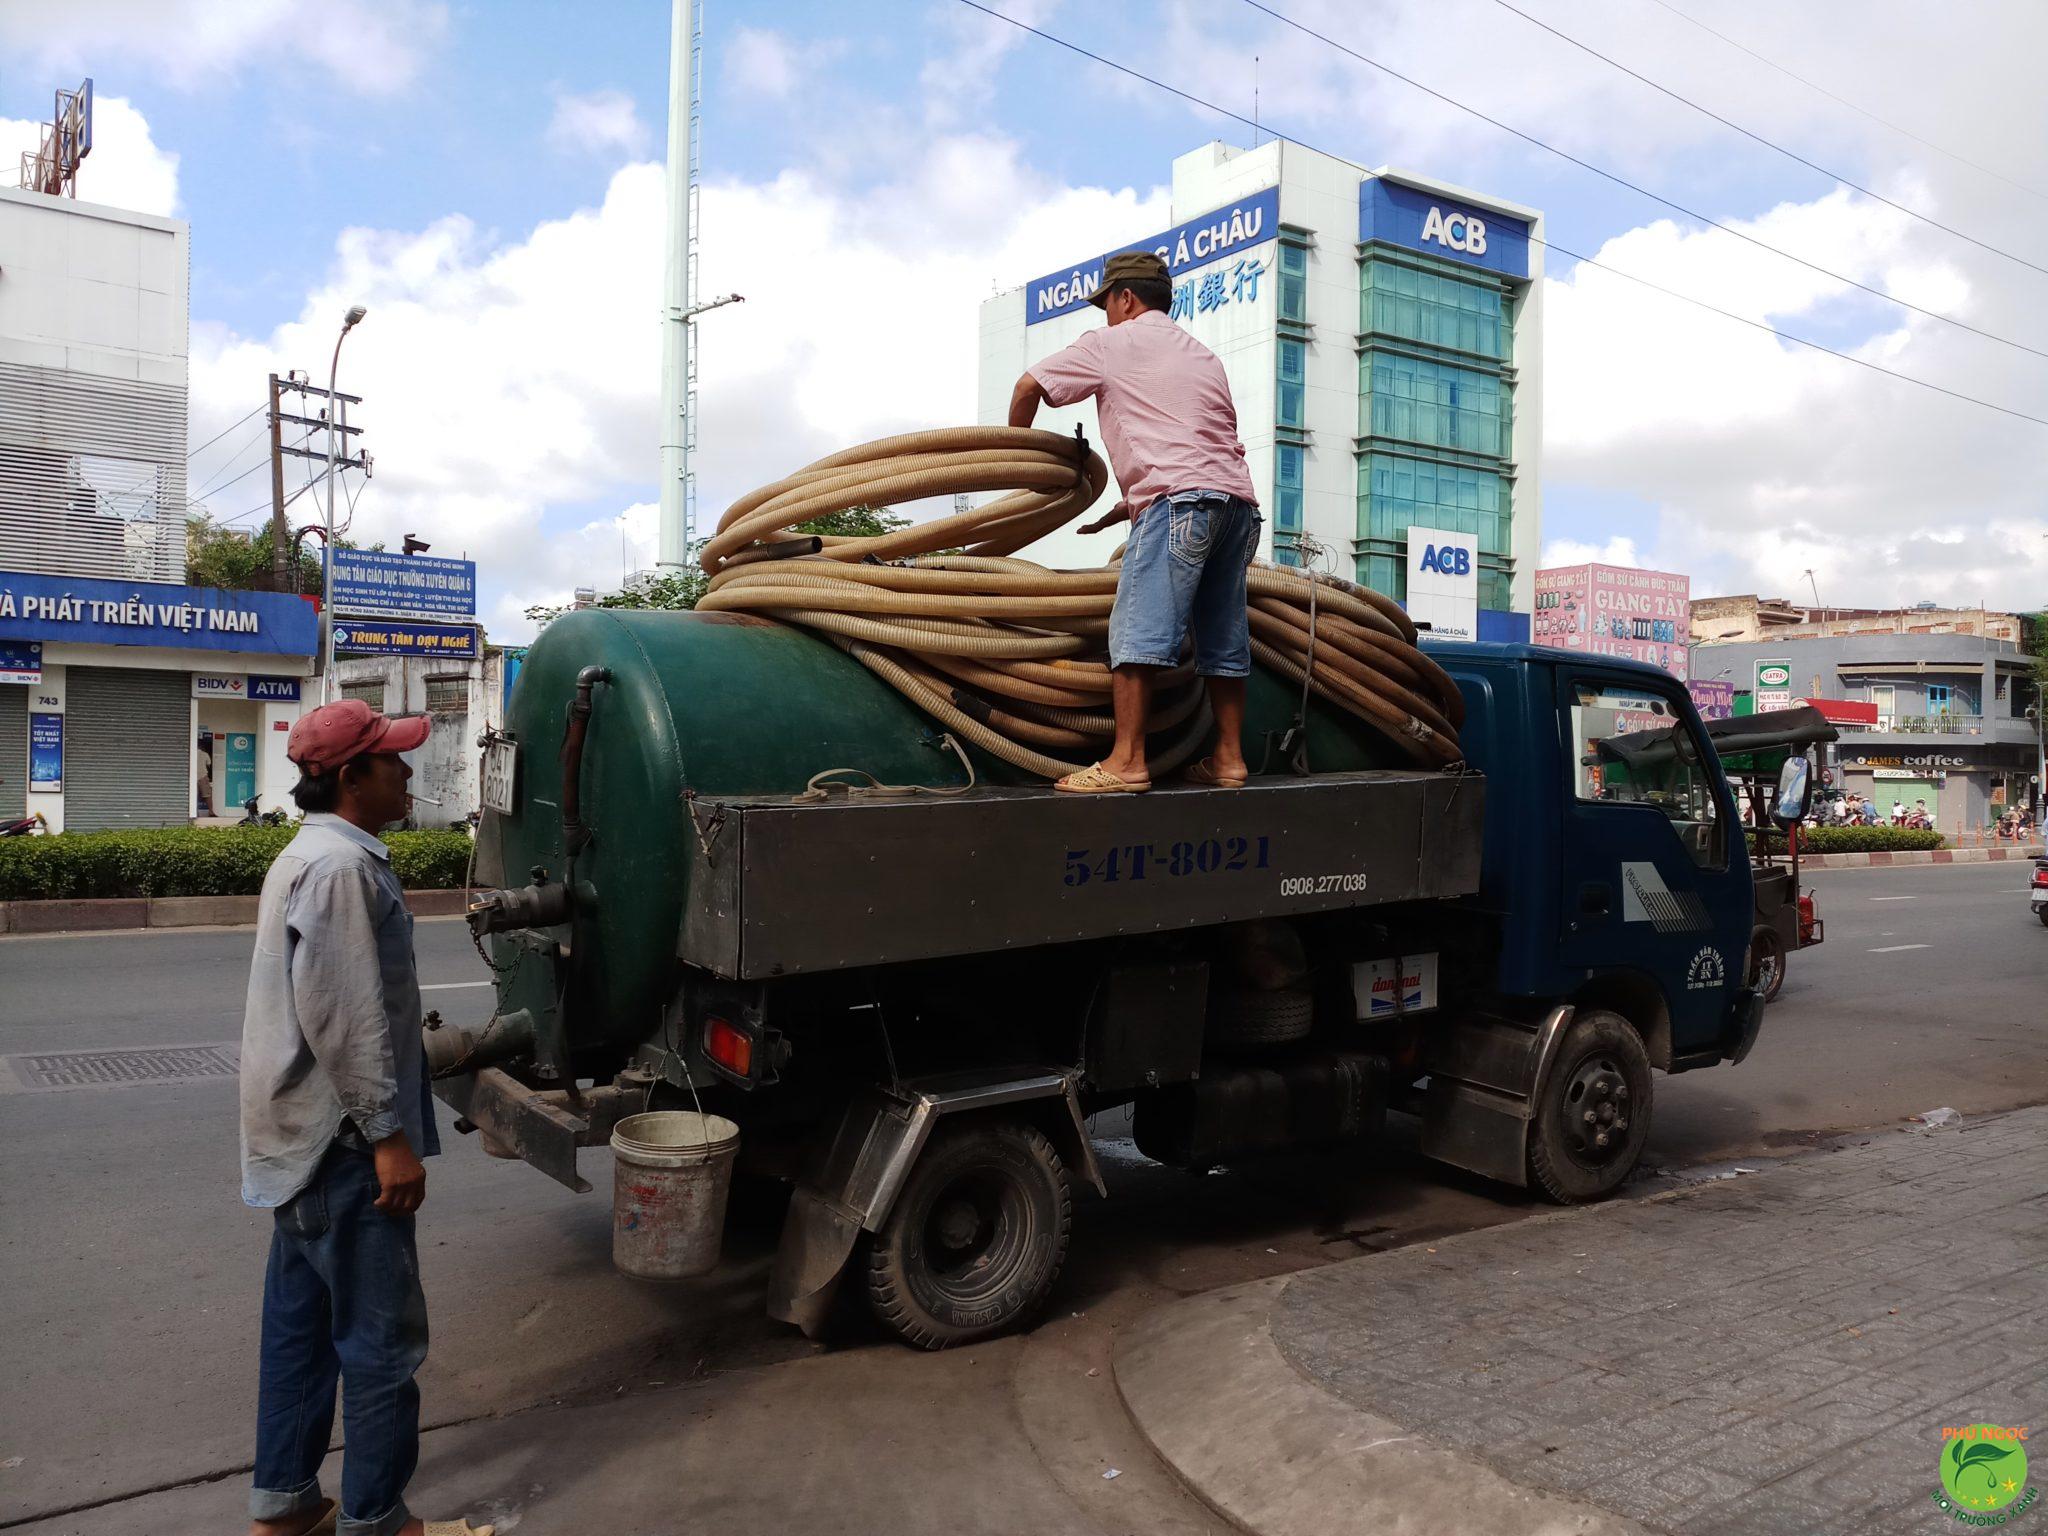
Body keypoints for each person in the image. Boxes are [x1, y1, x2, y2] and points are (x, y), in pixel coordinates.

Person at [240, 699, 493, 1536]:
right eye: (392, 761)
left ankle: (285, 1507)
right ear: (351, 777)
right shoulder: (342, 870)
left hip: (299, 1144)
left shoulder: (308, 855)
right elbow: (345, 1020)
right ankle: (377, 1520)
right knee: (382, 1346)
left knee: (302, 1334)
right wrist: (390, 1141)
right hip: (344, 1144)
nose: (408, 773)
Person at [1008, 249, 1263, 793]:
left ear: (1125, 298)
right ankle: (1229, 760)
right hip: (1237, 507)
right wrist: (1127, 507)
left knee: (1135, 631)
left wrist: (1022, 466)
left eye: (1107, 303)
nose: (1104, 315)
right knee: (1222, 636)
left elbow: (1027, 387)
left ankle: (1127, 762)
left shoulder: (1110, 343)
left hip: (1179, 504)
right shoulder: (1204, 356)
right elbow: (1196, 445)